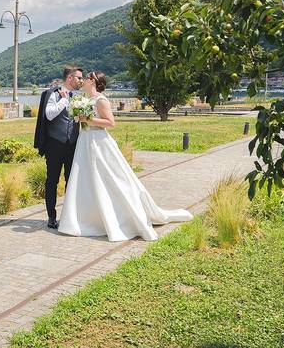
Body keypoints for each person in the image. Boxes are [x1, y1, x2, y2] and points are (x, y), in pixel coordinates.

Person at [58, 71, 192, 240]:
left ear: (93, 81)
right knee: (86, 180)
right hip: (84, 141)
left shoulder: (101, 100)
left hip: (98, 143)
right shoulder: (84, 99)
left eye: (87, 78)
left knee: (109, 179)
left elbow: (110, 123)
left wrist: (87, 119)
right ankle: (87, 219)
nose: (83, 80)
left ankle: (121, 216)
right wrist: (79, 117)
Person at [33, 65, 83, 229]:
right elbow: (49, 114)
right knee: (52, 181)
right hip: (55, 144)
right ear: (70, 78)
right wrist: (63, 101)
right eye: (79, 78)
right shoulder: (53, 94)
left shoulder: (79, 97)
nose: (81, 81)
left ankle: (69, 216)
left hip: (73, 144)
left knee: (72, 181)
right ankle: (51, 217)